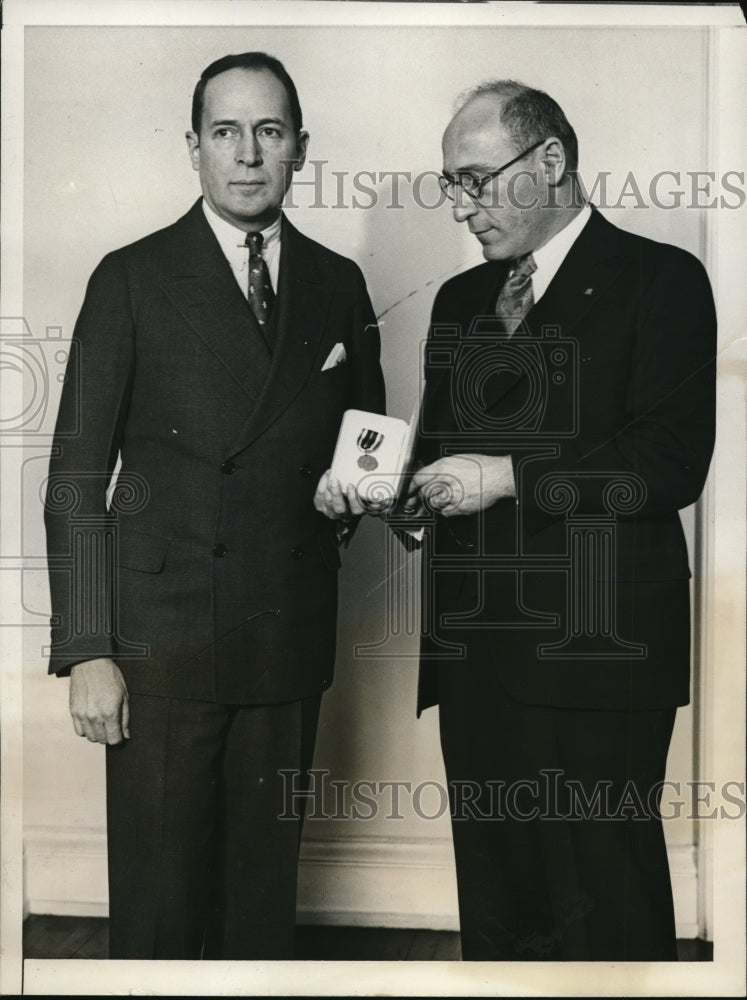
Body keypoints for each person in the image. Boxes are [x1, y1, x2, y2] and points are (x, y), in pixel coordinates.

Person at [44, 51, 384, 960]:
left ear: (300, 148)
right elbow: (76, 474)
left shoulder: (338, 282)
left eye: (268, 131)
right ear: (191, 148)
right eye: (225, 132)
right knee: (159, 913)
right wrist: (87, 651)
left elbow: (365, 449)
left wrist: (350, 499)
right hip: (160, 647)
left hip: (284, 636)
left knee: (260, 911)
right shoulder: (131, 277)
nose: (247, 153)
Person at [405, 80, 716, 961]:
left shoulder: (662, 279)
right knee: (498, 917)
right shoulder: (458, 301)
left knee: (602, 913)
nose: (461, 207)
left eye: (474, 179)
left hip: (597, 656)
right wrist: (399, 499)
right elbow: (441, 457)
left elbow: (667, 464)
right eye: (449, 185)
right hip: (473, 660)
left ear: (550, 161)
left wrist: (504, 476)